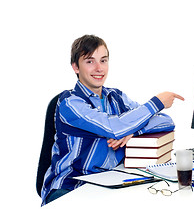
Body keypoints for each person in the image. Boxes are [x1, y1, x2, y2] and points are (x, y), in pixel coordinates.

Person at [41, 35, 184, 205]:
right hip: (70, 186)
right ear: (75, 67)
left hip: (107, 183)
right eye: (89, 61)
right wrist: (157, 103)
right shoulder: (70, 103)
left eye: (103, 60)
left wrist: (134, 130)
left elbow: (166, 121)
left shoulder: (116, 97)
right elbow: (113, 127)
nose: (99, 68)